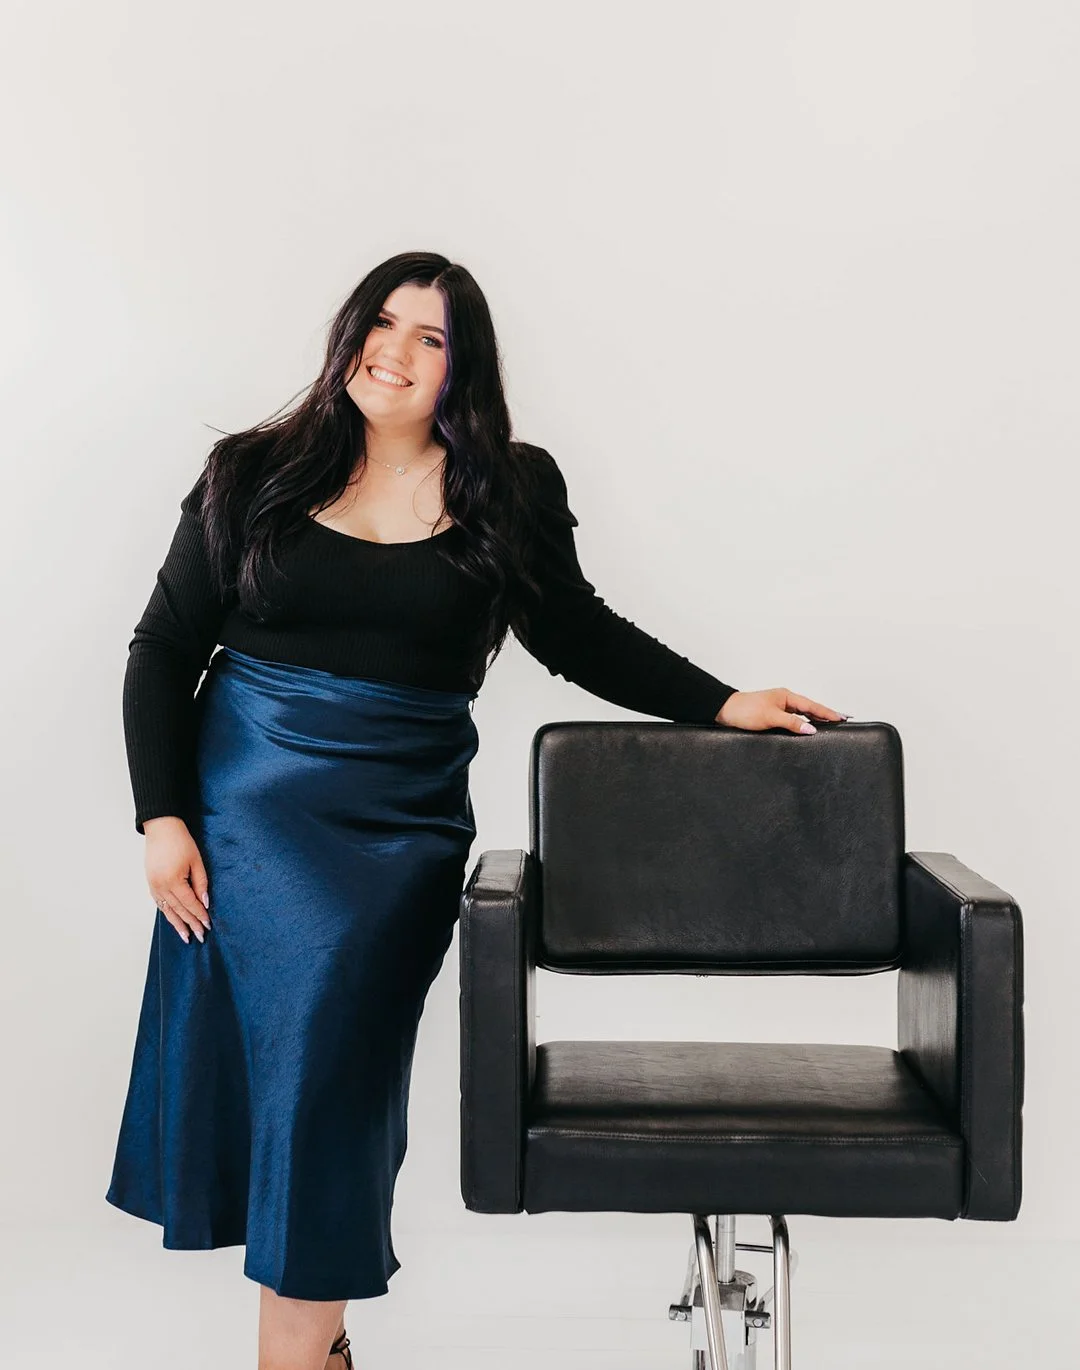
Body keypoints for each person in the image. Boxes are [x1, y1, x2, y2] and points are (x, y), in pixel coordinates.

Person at [105, 250, 847, 1370]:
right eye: (382, 323)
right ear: (349, 330)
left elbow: (579, 634)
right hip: (234, 835)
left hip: (390, 846)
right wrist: (161, 817)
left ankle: (294, 1355)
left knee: (329, 1096)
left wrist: (723, 699)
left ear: (465, 370)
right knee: (270, 1104)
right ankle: (314, 1352)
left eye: (431, 338)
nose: (395, 353)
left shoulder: (509, 486)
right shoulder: (251, 469)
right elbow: (163, 648)